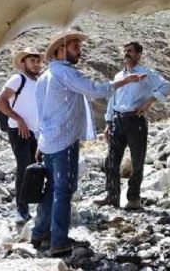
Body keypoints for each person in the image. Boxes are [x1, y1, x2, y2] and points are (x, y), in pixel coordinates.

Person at [31, 30, 146, 257]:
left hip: (49, 142)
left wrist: (39, 141)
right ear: (61, 50)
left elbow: (41, 113)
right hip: (63, 142)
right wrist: (125, 81)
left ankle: (40, 233)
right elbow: (94, 90)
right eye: (75, 48)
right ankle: (59, 241)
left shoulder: (46, 75)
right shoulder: (64, 73)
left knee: (51, 189)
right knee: (63, 190)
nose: (79, 52)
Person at [94, 41, 170, 210]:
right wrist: (108, 122)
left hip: (136, 121)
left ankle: (133, 198)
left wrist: (149, 103)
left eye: (130, 51)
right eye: (125, 50)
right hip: (118, 120)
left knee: (137, 161)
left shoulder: (146, 73)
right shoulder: (118, 76)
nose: (126, 53)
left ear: (138, 54)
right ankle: (112, 196)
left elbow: (166, 85)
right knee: (111, 161)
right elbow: (112, 99)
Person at [0, 47, 42, 224]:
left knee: (35, 168)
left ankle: (31, 206)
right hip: (18, 130)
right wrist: (19, 119)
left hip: (35, 132)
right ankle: (21, 209)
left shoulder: (37, 81)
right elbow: (0, 102)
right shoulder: (18, 78)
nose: (36, 64)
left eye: (38, 61)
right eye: (32, 61)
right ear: (23, 63)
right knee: (24, 167)